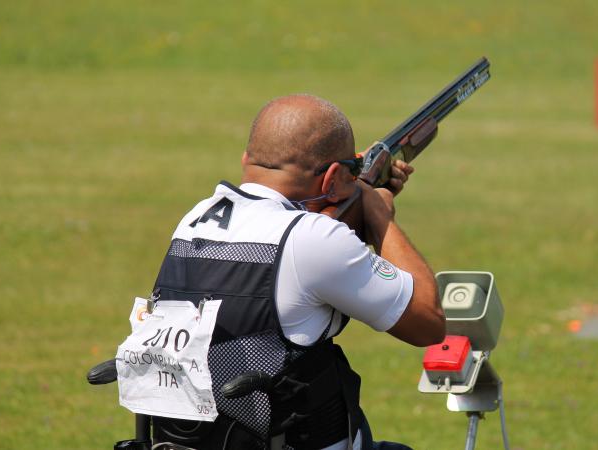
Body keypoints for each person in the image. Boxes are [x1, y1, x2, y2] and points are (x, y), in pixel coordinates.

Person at [149, 94, 445, 450]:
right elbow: (427, 321)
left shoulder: (194, 220)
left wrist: (350, 204)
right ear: (334, 177)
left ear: (248, 160)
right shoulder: (313, 238)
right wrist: (379, 214)